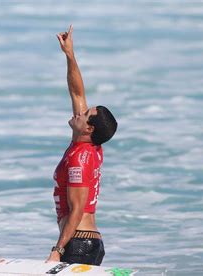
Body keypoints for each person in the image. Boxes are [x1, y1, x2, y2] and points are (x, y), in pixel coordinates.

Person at [45, 25, 118, 265]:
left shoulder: (79, 159)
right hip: (85, 242)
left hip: (78, 243)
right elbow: (77, 93)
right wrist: (69, 54)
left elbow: (76, 210)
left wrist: (58, 249)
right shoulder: (87, 144)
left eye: (84, 114)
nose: (79, 112)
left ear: (89, 129)